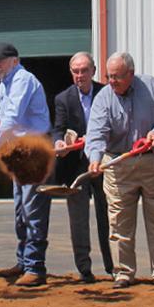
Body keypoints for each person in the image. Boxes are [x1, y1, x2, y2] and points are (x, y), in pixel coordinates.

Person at [0, 42, 52, 287]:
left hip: (33, 151)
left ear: (15, 60)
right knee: (21, 211)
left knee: (32, 211)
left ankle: (34, 267)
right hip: (20, 151)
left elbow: (13, 118)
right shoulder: (6, 83)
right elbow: (9, 117)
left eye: (0, 60)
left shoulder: (22, 80)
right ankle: (23, 262)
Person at [85, 52, 154, 289]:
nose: (112, 81)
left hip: (151, 162)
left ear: (131, 74)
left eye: (117, 77)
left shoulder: (151, 87)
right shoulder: (104, 98)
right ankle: (123, 272)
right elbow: (96, 134)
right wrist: (94, 159)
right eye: (109, 76)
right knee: (118, 221)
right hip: (116, 164)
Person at [52, 52, 111, 282]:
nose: (80, 75)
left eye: (84, 70)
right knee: (78, 219)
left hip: (103, 164)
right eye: (75, 71)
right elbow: (58, 128)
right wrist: (59, 142)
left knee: (107, 216)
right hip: (75, 167)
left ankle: (112, 266)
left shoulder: (105, 93)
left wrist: (95, 139)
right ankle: (84, 269)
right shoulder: (63, 99)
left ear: (93, 71)